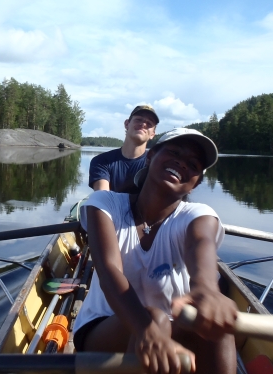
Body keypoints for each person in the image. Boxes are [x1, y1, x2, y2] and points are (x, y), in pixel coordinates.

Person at [74, 128, 237, 374]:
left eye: (193, 163)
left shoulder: (198, 215)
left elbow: (200, 245)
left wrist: (206, 290)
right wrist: (146, 329)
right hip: (102, 327)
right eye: (173, 152)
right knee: (155, 318)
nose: (181, 162)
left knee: (217, 330)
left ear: (195, 184)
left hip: (170, 327)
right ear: (149, 157)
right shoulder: (105, 203)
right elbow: (109, 272)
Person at [89, 105, 159, 194]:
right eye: (138, 119)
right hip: (108, 208)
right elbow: (103, 199)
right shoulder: (102, 161)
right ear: (127, 124)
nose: (144, 124)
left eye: (149, 123)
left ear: (153, 134)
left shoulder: (156, 164)